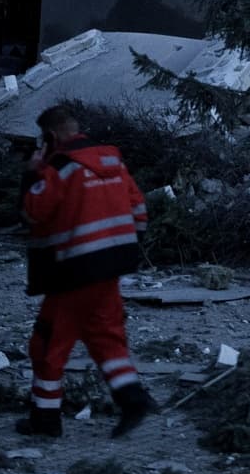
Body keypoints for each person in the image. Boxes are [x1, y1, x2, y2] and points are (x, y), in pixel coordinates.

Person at [16, 104, 158, 439]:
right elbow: (139, 209)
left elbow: (33, 213)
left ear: (50, 137)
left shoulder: (61, 168)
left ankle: (45, 420)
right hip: (110, 269)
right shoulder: (113, 161)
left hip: (74, 273)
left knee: (47, 345)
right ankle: (132, 398)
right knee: (106, 338)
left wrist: (31, 174)